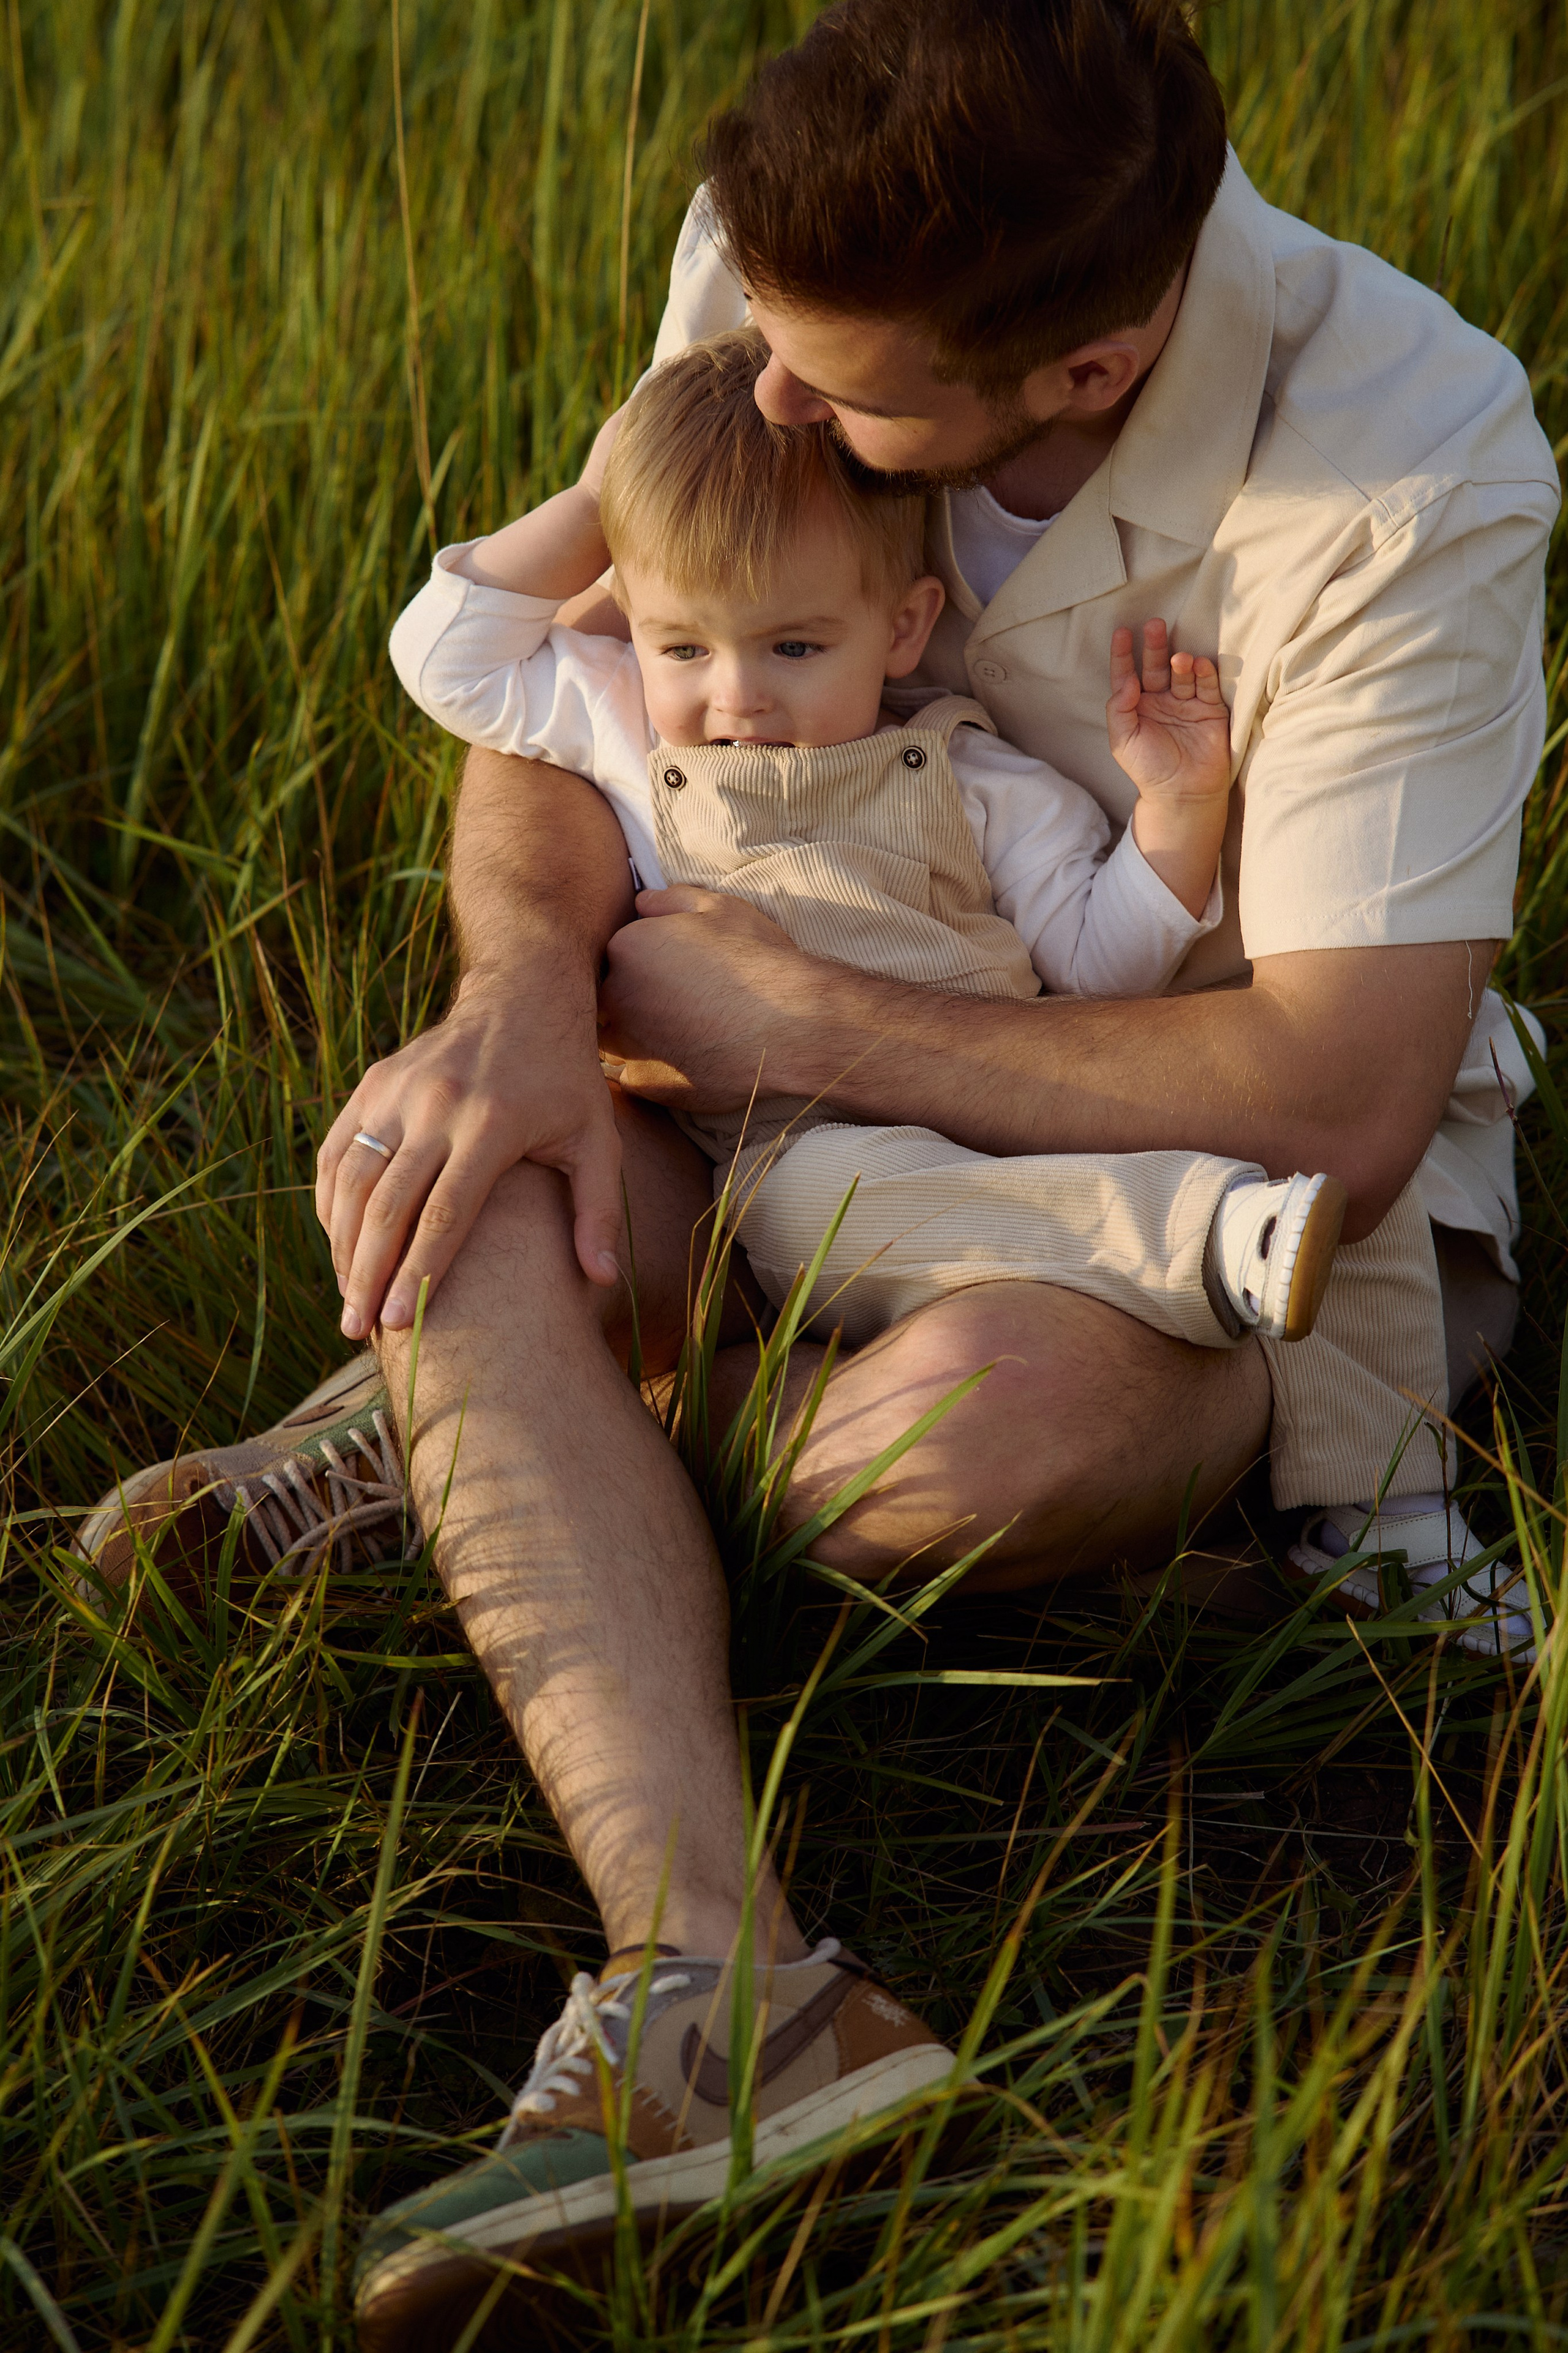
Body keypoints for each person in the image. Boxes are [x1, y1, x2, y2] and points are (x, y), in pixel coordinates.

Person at [73, 2, 1556, 2344]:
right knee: (460, 1171)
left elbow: (1340, 1100)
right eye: (760, 335)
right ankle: (722, 1985)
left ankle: (506, 1454)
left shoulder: (1409, 463)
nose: (763, 399)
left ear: (1086, 368)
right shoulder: (806, 287)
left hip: (1180, 1182)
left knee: (952, 1457)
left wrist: (826, 1027)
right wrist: (519, 1003)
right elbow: (583, 685)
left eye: (838, 399)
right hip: (747, 1119)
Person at [387, 323, 1347, 1358]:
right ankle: (1214, 1237)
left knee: (988, 1246)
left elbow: (1096, 967)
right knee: (819, 1207)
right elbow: (444, 657)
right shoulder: (621, 724)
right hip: (805, 1155)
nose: (737, 695)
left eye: (795, 646)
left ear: (903, 627)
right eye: (685, 646)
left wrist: (1178, 810)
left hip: (1008, 1111)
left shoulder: (973, 777)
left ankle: (1211, 1275)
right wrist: (599, 503)